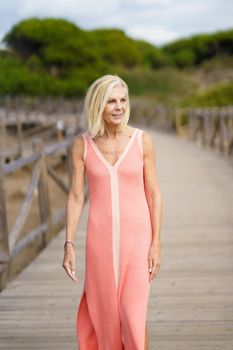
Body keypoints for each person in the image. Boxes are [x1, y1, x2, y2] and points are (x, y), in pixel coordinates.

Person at [62, 74, 163, 350]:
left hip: (137, 240)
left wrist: (156, 243)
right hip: (100, 242)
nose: (119, 107)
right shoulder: (82, 145)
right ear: (98, 106)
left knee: (133, 314)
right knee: (104, 317)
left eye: (122, 100)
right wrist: (69, 243)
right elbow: (75, 195)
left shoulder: (143, 141)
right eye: (111, 101)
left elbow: (154, 194)